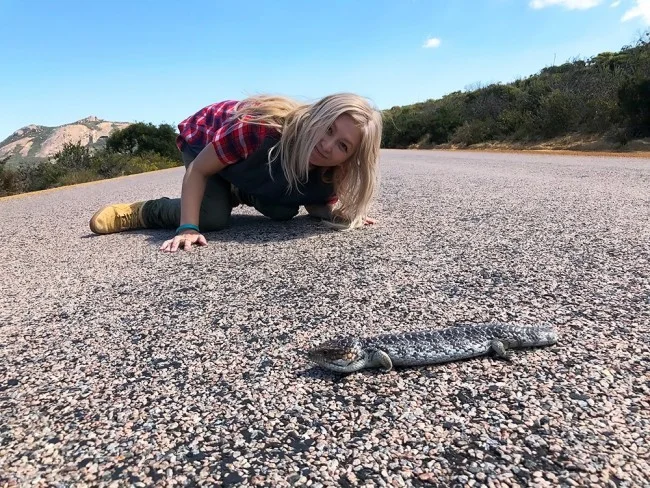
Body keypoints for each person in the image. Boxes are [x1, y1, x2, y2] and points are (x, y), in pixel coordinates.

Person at [89, 93, 383, 252]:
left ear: (350, 158)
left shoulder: (332, 169)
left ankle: (239, 190)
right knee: (211, 217)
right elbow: (198, 172)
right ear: (315, 116)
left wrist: (338, 213)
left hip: (246, 159)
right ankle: (143, 212)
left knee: (281, 210)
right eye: (328, 128)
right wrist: (188, 227)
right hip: (207, 139)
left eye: (342, 145)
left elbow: (316, 200)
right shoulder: (259, 130)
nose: (327, 145)